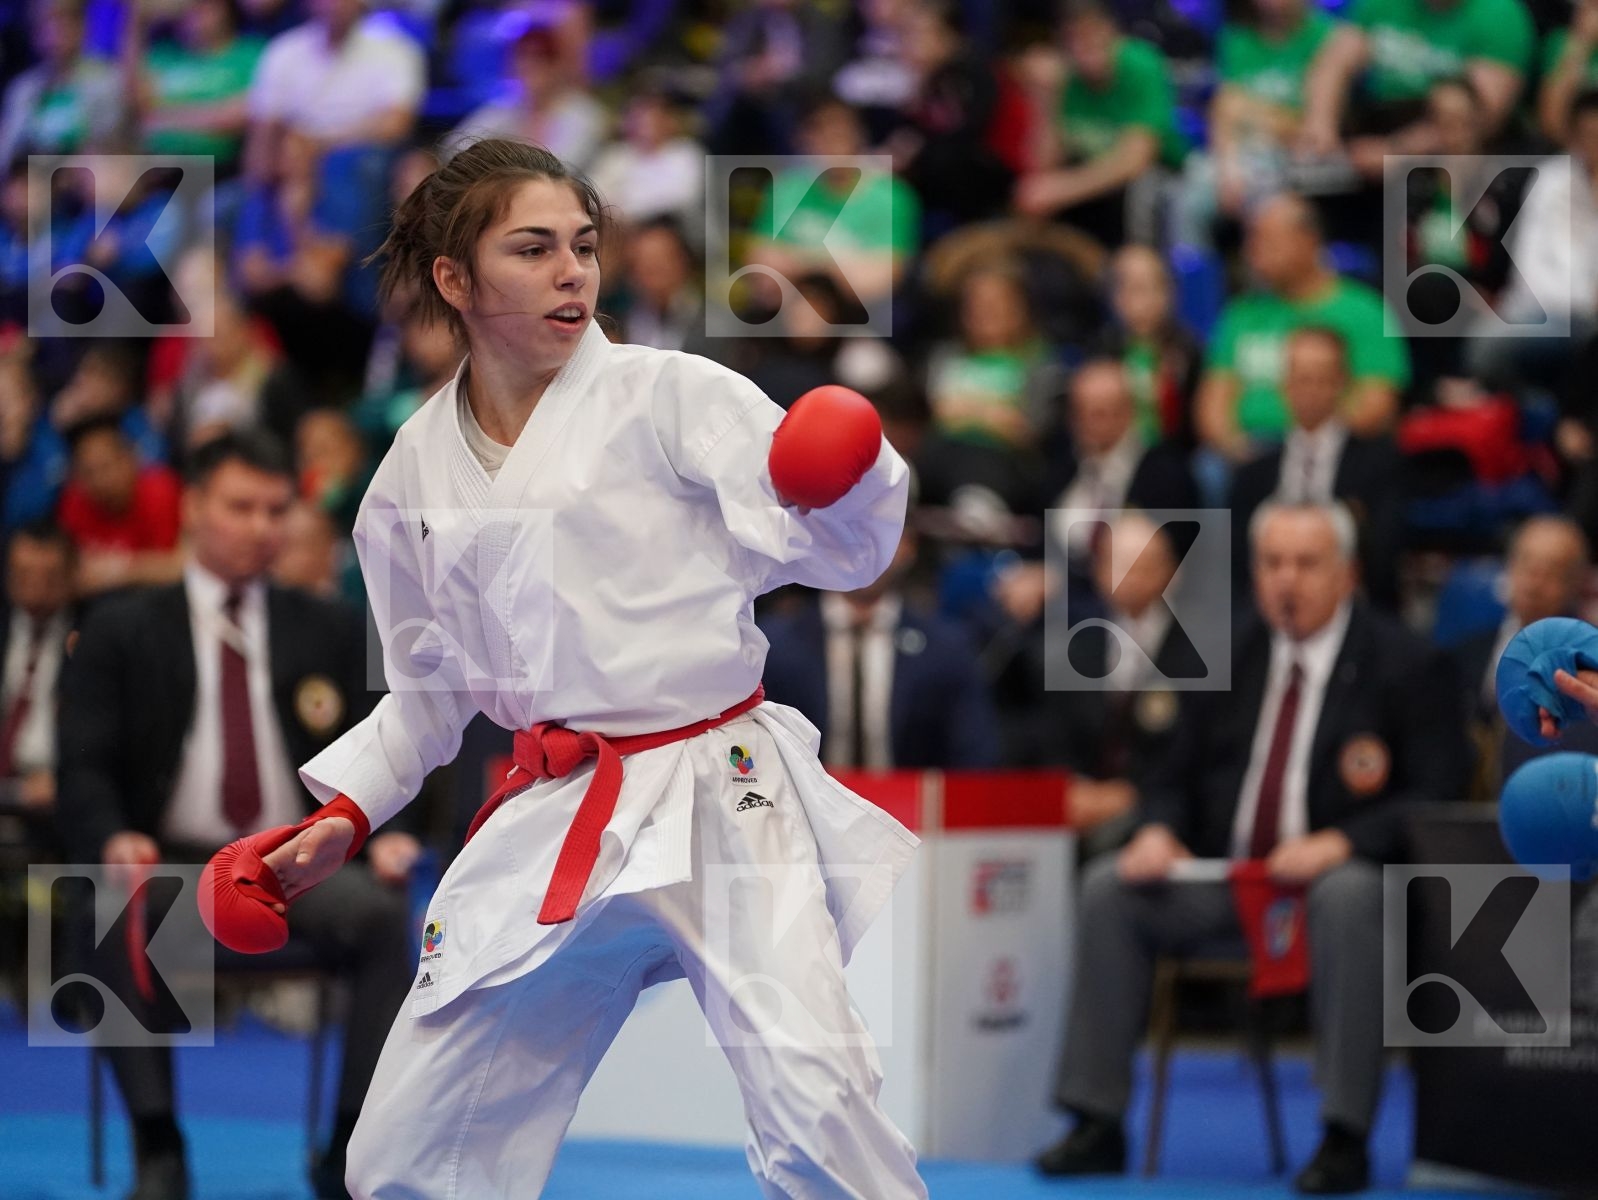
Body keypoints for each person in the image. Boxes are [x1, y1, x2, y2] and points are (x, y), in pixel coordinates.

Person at [201, 138, 926, 1199]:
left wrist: (847, 474)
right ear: (455, 279)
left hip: (718, 784)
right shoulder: (408, 475)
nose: (571, 272)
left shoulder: (670, 394)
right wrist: (344, 816)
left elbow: (836, 550)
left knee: (819, 1105)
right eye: (532, 249)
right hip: (558, 800)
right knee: (408, 1148)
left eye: (582, 246)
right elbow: (429, 692)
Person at [1034, 501, 1468, 1193]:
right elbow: (1169, 776)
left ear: (1348, 573)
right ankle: (1097, 1121)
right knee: (1111, 889)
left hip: (1332, 885)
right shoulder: (1225, 651)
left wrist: (1340, 842)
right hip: (1228, 880)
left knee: (1353, 893)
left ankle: (1344, 1134)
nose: (1287, 579)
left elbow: (1436, 790)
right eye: (1272, 563)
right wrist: (1158, 830)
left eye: (1306, 563)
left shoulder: (1406, 663)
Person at [55, 431, 421, 1200]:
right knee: (98, 905)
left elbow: (391, 742)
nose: (262, 527)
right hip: (170, 866)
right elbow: (81, 766)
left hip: (295, 865)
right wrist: (112, 835)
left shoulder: (328, 625)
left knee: (384, 916)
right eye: (241, 507)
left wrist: (385, 835)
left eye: (276, 511)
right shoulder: (121, 626)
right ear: (193, 507)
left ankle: (348, 1150)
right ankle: (159, 1146)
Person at [759, 525, 1001, 770]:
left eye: (881, 530)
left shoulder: (947, 648)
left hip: (910, 793)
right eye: (851, 528)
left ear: (909, 546)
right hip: (800, 792)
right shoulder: (771, 645)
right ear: (819, 542)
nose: (863, 547)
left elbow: (975, 756)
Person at [1227, 327, 1404, 609]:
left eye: (1322, 378)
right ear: (1284, 384)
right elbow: (1237, 571)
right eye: (1301, 378)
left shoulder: (1378, 466)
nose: (1310, 389)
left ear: (1343, 383)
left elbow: (1382, 561)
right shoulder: (1252, 477)